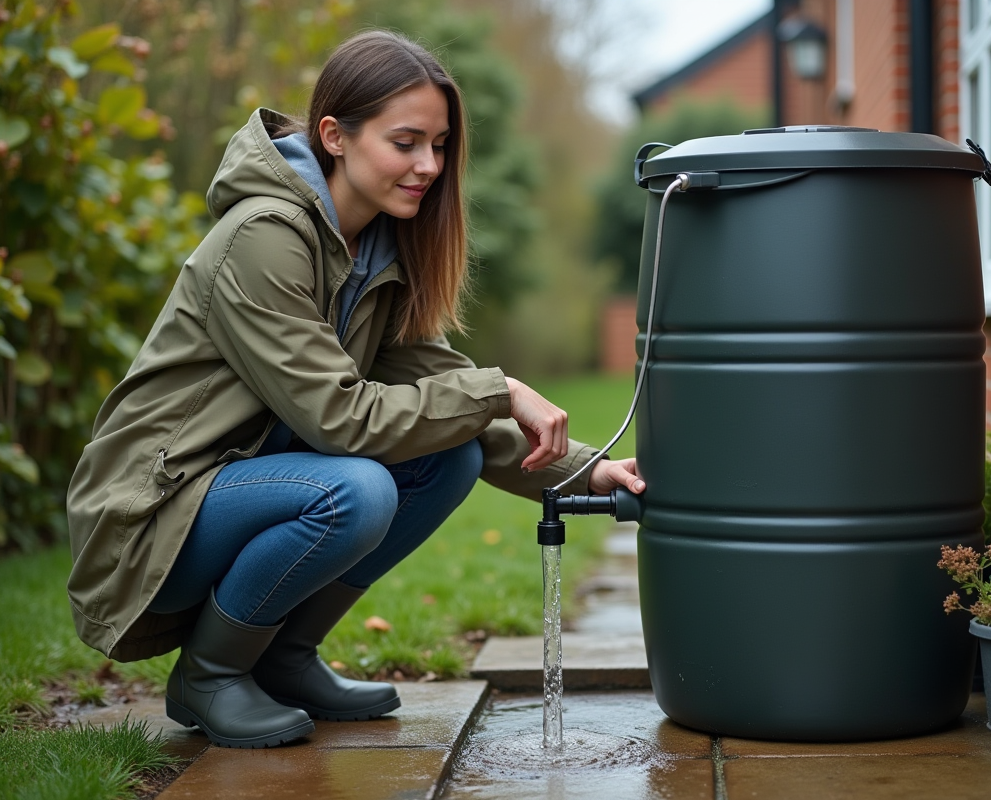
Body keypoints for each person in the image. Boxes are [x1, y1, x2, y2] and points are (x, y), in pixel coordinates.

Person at [65, 29, 644, 749]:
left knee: (450, 456)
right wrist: (502, 388)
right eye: (405, 143)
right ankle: (210, 676)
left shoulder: (374, 251)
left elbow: (445, 401)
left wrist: (589, 469)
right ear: (335, 136)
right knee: (355, 489)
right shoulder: (264, 237)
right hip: (153, 515)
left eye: (438, 146)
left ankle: (280, 658)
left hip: (238, 489)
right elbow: (342, 419)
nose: (429, 165)